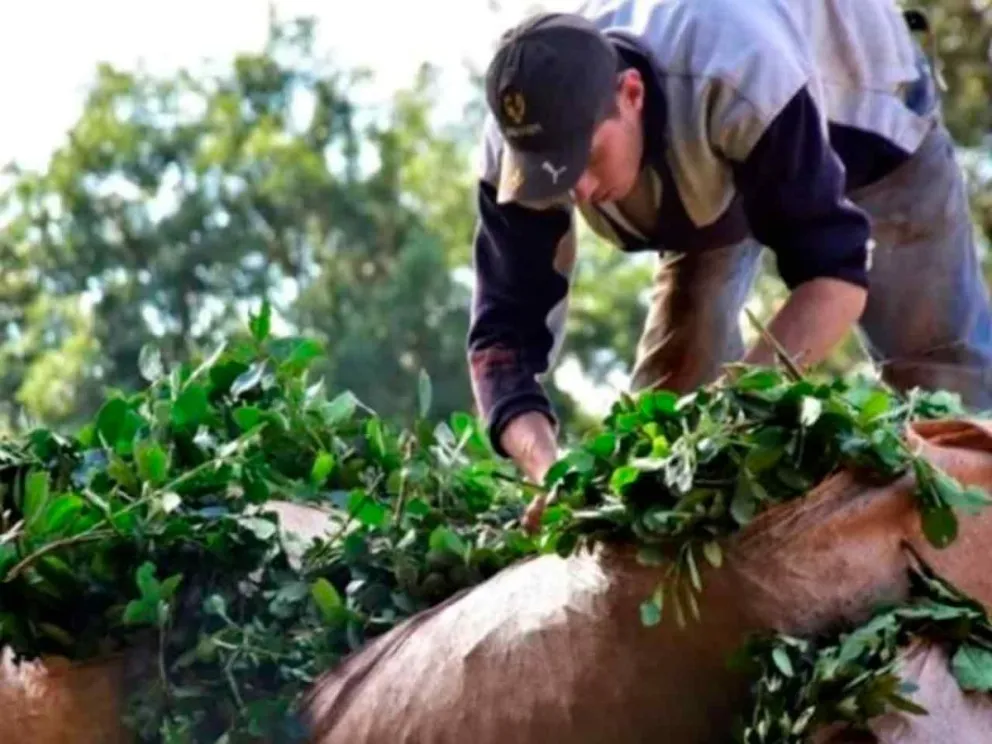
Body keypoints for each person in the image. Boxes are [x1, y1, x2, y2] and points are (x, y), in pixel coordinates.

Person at [466, 0, 992, 528]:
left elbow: (834, 275)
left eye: (585, 158)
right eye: (549, 172)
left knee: (944, 387)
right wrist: (548, 471)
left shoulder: (740, 71)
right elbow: (501, 345)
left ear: (631, 95)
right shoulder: (520, 138)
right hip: (712, 150)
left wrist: (725, 417)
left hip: (867, 114)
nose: (576, 191)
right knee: (664, 429)